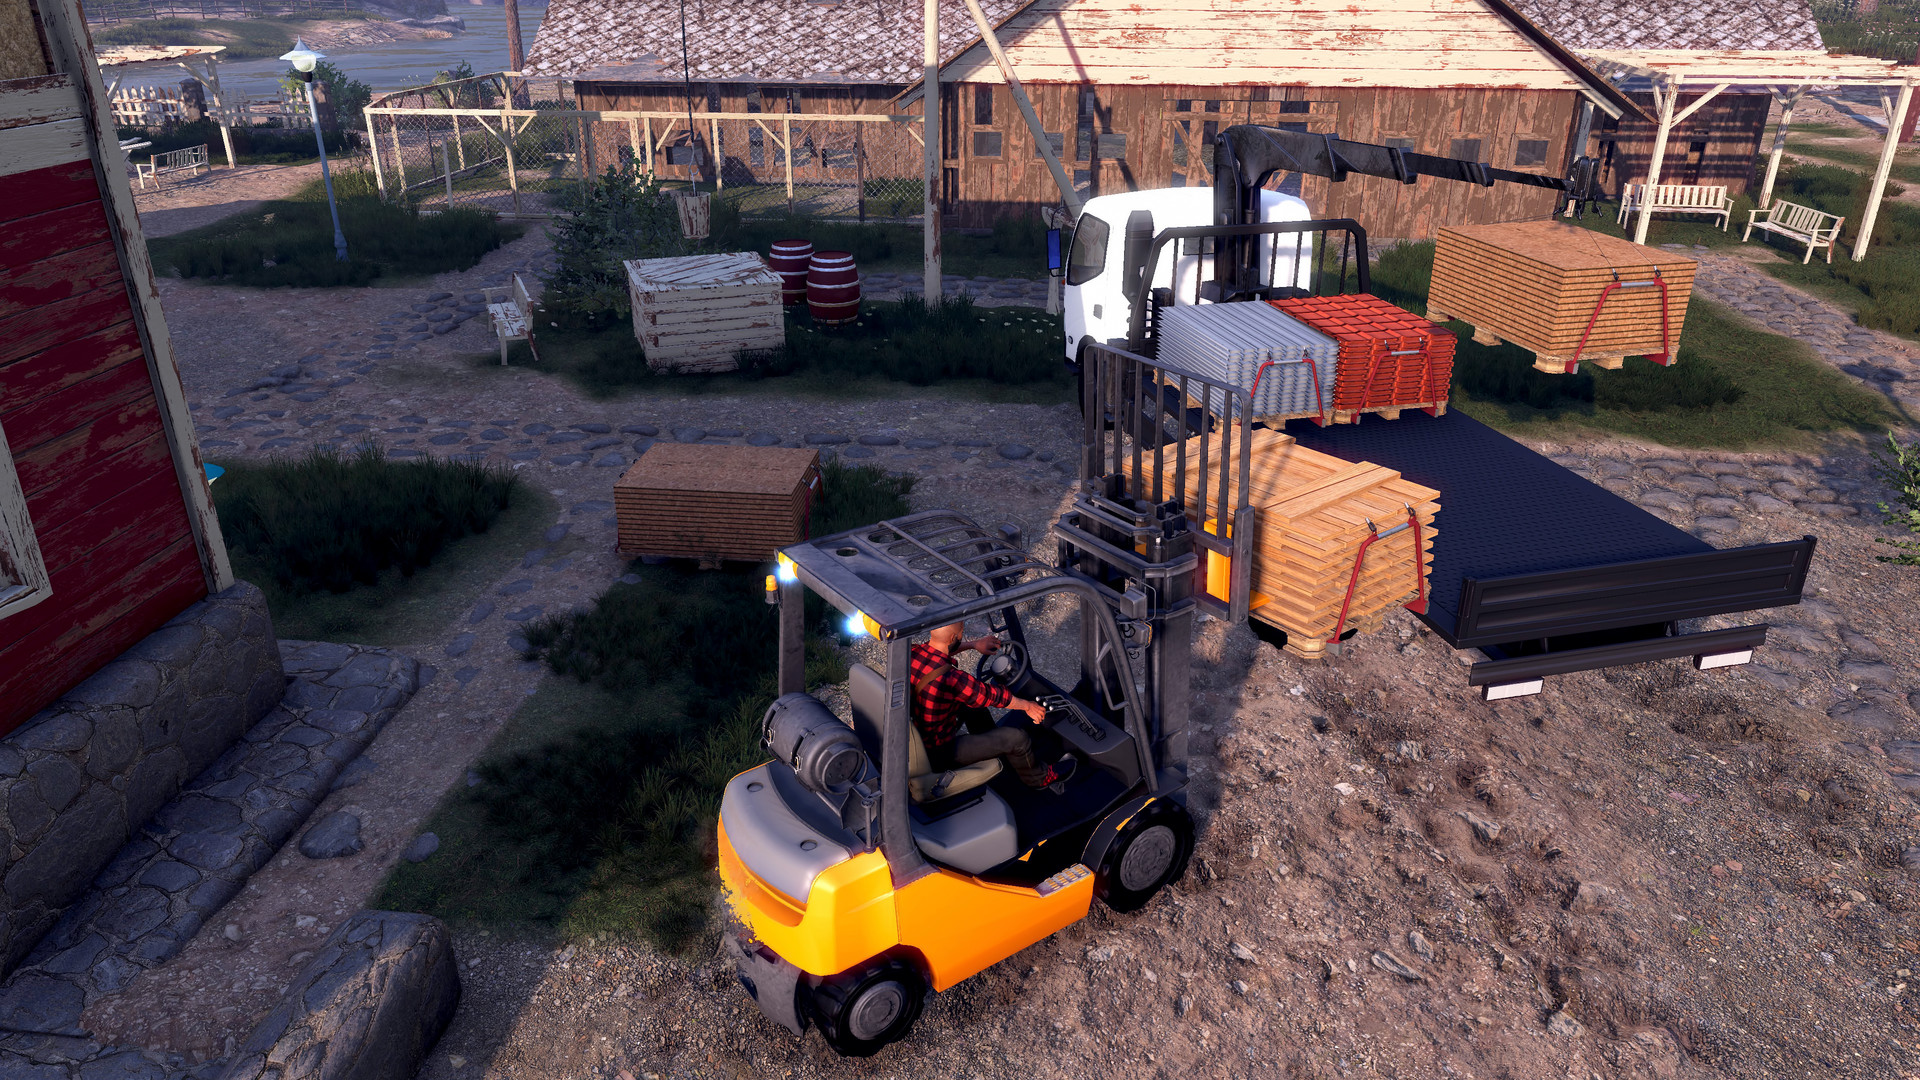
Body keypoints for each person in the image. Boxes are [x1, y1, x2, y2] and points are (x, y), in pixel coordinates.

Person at [908, 621, 1077, 790]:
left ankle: (995, 749)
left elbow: (941, 651)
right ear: (953, 637)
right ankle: (1039, 779)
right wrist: (1027, 706)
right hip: (940, 752)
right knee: (1017, 739)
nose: (961, 635)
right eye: (961, 632)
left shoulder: (914, 653)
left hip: (920, 735)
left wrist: (974, 644)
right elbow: (991, 695)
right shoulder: (952, 678)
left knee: (973, 706)